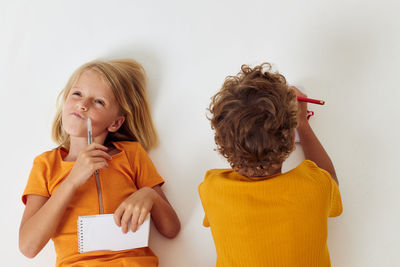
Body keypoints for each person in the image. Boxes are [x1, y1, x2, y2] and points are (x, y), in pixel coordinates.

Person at [19, 59, 181, 266]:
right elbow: (28, 247)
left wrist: (149, 195)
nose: (83, 105)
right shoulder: (46, 165)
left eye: (99, 102)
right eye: (77, 94)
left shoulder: (131, 154)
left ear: (115, 123)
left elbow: (171, 230)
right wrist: (72, 181)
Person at [199, 63, 342, 267]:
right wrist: (302, 122)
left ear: (221, 143)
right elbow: (331, 181)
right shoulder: (314, 186)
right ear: (292, 138)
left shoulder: (211, 189)